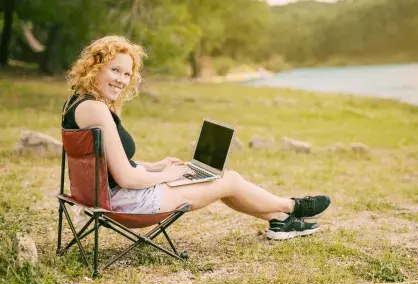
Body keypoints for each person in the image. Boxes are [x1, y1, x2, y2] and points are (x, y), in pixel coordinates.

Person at [62, 36, 331, 240]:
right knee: (228, 179)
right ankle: (293, 206)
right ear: (95, 67)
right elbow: (127, 178)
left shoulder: (78, 105)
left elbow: (109, 162)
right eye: (115, 70)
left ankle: (280, 219)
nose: (122, 79)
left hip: (110, 196)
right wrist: (166, 176)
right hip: (128, 202)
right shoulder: (96, 110)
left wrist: (156, 165)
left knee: (216, 177)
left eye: (127, 73)